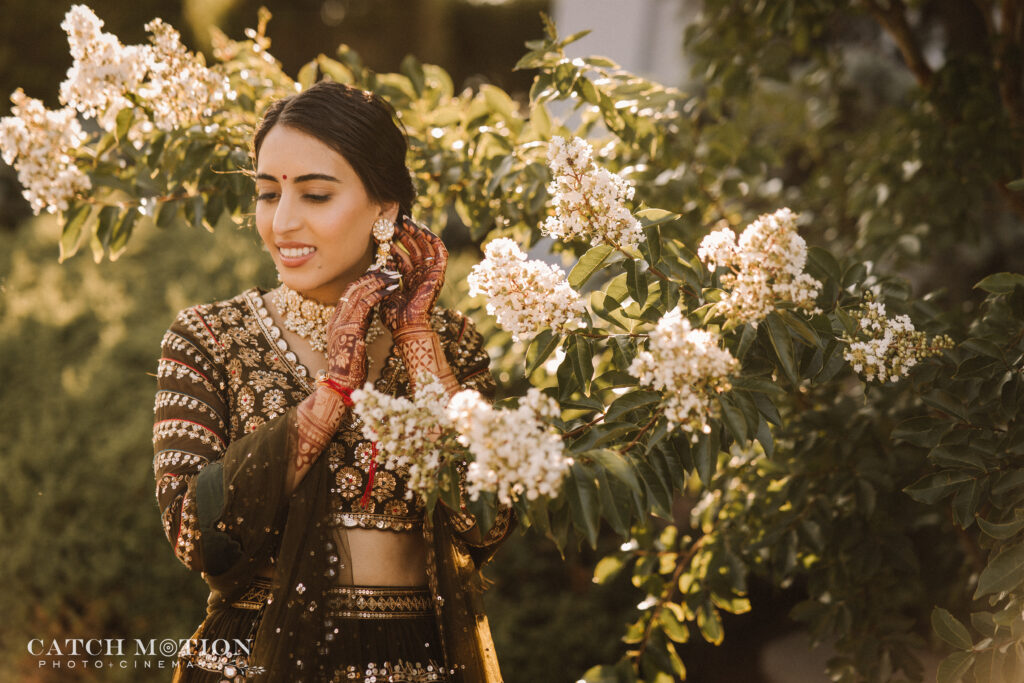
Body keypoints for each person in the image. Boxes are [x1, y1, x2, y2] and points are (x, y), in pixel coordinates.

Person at [152, 81, 512, 683]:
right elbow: (195, 536)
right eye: (268, 194)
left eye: (316, 195)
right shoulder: (209, 338)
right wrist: (332, 392)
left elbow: (488, 520)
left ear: (385, 208)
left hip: (421, 663)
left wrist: (417, 338)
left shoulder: (451, 344)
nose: (283, 221)